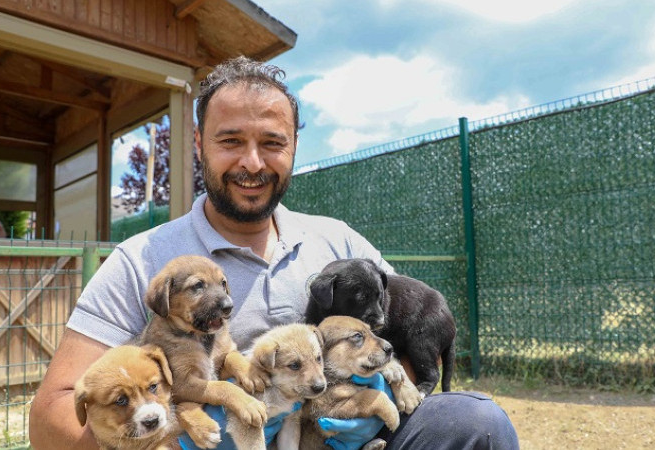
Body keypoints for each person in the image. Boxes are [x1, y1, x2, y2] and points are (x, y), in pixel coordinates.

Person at [29, 56, 519, 450]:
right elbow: (52, 416)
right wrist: (167, 432)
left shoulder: (339, 244)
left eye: (272, 143)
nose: (252, 162)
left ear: (294, 148)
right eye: (231, 141)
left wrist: (368, 399)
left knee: (475, 421)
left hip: (342, 433)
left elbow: (402, 344)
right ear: (199, 145)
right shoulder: (143, 260)